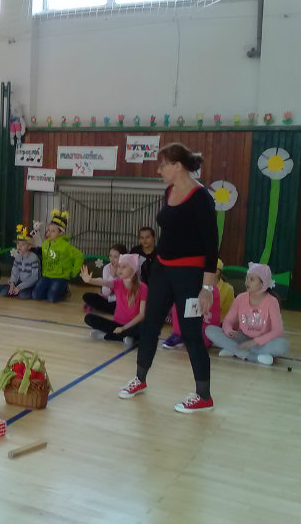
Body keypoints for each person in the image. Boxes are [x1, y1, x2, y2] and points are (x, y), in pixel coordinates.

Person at [118, 142, 219, 414]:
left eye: (163, 165)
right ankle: (140, 379)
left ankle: (204, 396)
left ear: (178, 165)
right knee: (150, 324)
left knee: (191, 333)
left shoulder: (201, 197)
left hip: (190, 275)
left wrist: (206, 288)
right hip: (163, 270)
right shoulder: (169, 191)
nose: (159, 170)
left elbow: (212, 245)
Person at [205, 263, 289, 365]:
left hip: (263, 342)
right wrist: (228, 330)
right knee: (210, 330)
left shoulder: (272, 302)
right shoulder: (240, 298)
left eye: (252, 279)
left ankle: (235, 351)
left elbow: (278, 330)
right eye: (246, 278)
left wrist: (254, 342)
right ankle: (255, 356)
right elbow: (228, 321)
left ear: (263, 283)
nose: (247, 282)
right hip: (243, 338)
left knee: (283, 345)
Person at [81, 253, 147, 345]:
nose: (120, 269)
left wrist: (124, 328)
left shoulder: (143, 287)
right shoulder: (117, 283)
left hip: (132, 325)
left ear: (133, 269)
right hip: (117, 324)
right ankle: (124, 337)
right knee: (89, 318)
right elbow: (104, 282)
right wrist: (90, 280)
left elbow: (142, 314)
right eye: (119, 266)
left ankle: (106, 336)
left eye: (124, 267)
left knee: (145, 328)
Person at [162, 259, 224, 349]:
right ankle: (178, 334)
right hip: (192, 324)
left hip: (206, 327)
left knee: (199, 343)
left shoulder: (212, 290)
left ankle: (184, 335)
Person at [32, 210, 84, 303]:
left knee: (52, 298)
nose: (49, 233)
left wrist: (74, 272)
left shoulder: (66, 246)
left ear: (61, 233)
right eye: (48, 230)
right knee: (36, 295)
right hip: (46, 276)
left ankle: (64, 289)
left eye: (53, 231)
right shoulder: (46, 243)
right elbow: (43, 253)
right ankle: (52, 289)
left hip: (60, 276)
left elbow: (79, 256)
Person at [0, 224, 40, 299]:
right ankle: (6, 287)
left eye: (23, 244)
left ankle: (3, 288)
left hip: (29, 284)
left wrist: (19, 287)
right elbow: (14, 272)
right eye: (18, 244)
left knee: (23, 295)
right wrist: (12, 284)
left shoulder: (33, 258)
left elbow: (34, 278)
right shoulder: (17, 257)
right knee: (4, 293)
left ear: (29, 246)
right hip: (19, 282)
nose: (19, 246)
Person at [81, 243, 127, 314]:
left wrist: (110, 298)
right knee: (87, 296)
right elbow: (105, 292)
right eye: (110, 256)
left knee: (124, 304)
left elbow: (127, 293)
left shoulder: (127, 269)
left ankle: (115, 310)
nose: (112, 259)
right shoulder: (107, 268)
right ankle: (114, 310)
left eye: (115, 257)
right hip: (109, 299)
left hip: (122, 300)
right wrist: (112, 275)